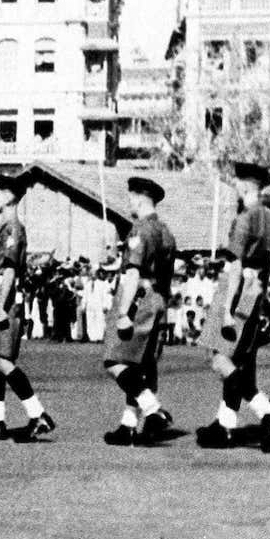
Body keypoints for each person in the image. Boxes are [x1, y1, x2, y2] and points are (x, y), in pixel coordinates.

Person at [196, 162, 270, 450]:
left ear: (246, 187)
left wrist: (225, 311)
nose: (234, 187)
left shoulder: (244, 219)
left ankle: (267, 411)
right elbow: (268, 264)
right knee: (238, 361)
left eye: (237, 183)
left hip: (235, 293)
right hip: (256, 291)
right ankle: (225, 425)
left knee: (219, 358)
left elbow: (234, 266)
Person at [0, 176, 56, 442]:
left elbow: (10, 269)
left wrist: (2, 306)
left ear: (9, 197)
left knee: (2, 360)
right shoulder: (2, 227)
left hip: (0, 296)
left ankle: (37, 414)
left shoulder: (13, 228)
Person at [102, 177, 176, 446]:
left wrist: (123, 312)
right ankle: (128, 424)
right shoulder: (166, 231)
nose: (129, 202)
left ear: (140, 199)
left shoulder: (140, 230)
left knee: (115, 361)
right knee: (139, 365)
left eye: (131, 196)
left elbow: (133, 271)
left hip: (138, 299)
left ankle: (152, 409)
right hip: (157, 298)